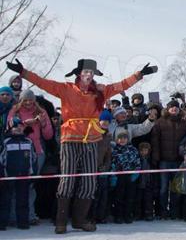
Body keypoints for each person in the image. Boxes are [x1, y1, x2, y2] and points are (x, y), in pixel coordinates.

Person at [5, 58, 157, 234]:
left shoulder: (100, 91)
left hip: (92, 138)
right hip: (70, 137)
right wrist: (23, 72)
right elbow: (43, 82)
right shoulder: (66, 88)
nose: (89, 75)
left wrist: (139, 75)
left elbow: (120, 85)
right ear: (79, 73)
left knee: (89, 180)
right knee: (68, 179)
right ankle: (61, 221)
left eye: (91, 73)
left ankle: (79, 220)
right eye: (85, 72)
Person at [6, 89, 53, 224]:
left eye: (30, 100)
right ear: (20, 100)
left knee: (30, 184)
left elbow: (48, 135)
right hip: (16, 150)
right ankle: (12, 216)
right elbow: (9, 127)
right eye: (25, 100)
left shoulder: (41, 112)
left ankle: (30, 215)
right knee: (14, 183)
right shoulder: (14, 111)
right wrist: (27, 122)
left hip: (36, 151)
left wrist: (43, 123)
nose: (28, 103)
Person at [151, 100, 186, 219]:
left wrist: (184, 154)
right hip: (164, 161)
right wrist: (156, 157)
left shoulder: (185, 123)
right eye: (171, 107)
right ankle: (163, 211)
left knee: (176, 188)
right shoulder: (160, 122)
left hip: (178, 160)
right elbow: (155, 140)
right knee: (163, 188)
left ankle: (174, 211)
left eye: (176, 107)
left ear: (179, 109)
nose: (174, 109)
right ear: (167, 109)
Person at [0, 119, 37, 230]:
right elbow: (1, 160)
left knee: (23, 200)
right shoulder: (6, 141)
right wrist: (2, 174)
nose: (18, 128)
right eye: (15, 127)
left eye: (20, 126)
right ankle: (2, 223)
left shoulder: (28, 142)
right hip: (8, 175)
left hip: (24, 175)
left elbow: (33, 159)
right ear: (10, 129)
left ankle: (23, 223)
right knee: (5, 200)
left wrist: (33, 174)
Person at [111, 132, 141, 224]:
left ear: (128, 139)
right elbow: (112, 163)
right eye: (120, 138)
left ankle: (128, 215)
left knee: (130, 197)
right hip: (119, 176)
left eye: (124, 138)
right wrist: (114, 175)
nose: (122, 140)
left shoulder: (133, 150)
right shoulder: (114, 150)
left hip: (130, 176)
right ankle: (118, 216)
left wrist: (135, 174)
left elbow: (137, 162)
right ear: (117, 140)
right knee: (119, 197)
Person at [90, 110, 113, 224]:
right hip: (90, 168)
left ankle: (101, 216)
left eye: (107, 122)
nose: (105, 123)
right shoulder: (92, 133)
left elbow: (108, 154)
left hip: (102, 169)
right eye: (103, 121)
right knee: (92, 194)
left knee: (103, 193)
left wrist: (105, 166)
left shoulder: (108, 136)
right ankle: (91, 216)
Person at [135, 142, 154, 221]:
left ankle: (148, 214)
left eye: (146, 150)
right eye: (142, 151)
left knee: (148, 200)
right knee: (138, 199)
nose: (144, 152)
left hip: (148, 183)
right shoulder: (137, 159)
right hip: (139, 182)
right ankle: (138, 214)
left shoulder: (151, 160)